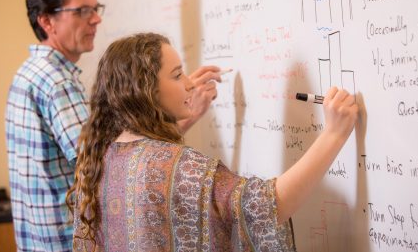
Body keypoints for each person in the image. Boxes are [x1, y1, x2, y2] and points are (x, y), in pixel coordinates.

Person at [68, 33, 358, 251]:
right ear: (146, 90)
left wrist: (185, 114)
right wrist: (334, 134)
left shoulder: (105, 156)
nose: (190, 83)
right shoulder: (181, 167)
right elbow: (266, 207)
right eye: (177, 74)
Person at [5, 0, 220, 252]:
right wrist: (189, 111)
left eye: (96, 8)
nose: (96, 19)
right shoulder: (57, 82)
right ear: (47, 21)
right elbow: (108, 165)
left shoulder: (28, 73)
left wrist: (178, 89)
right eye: (82, 11)